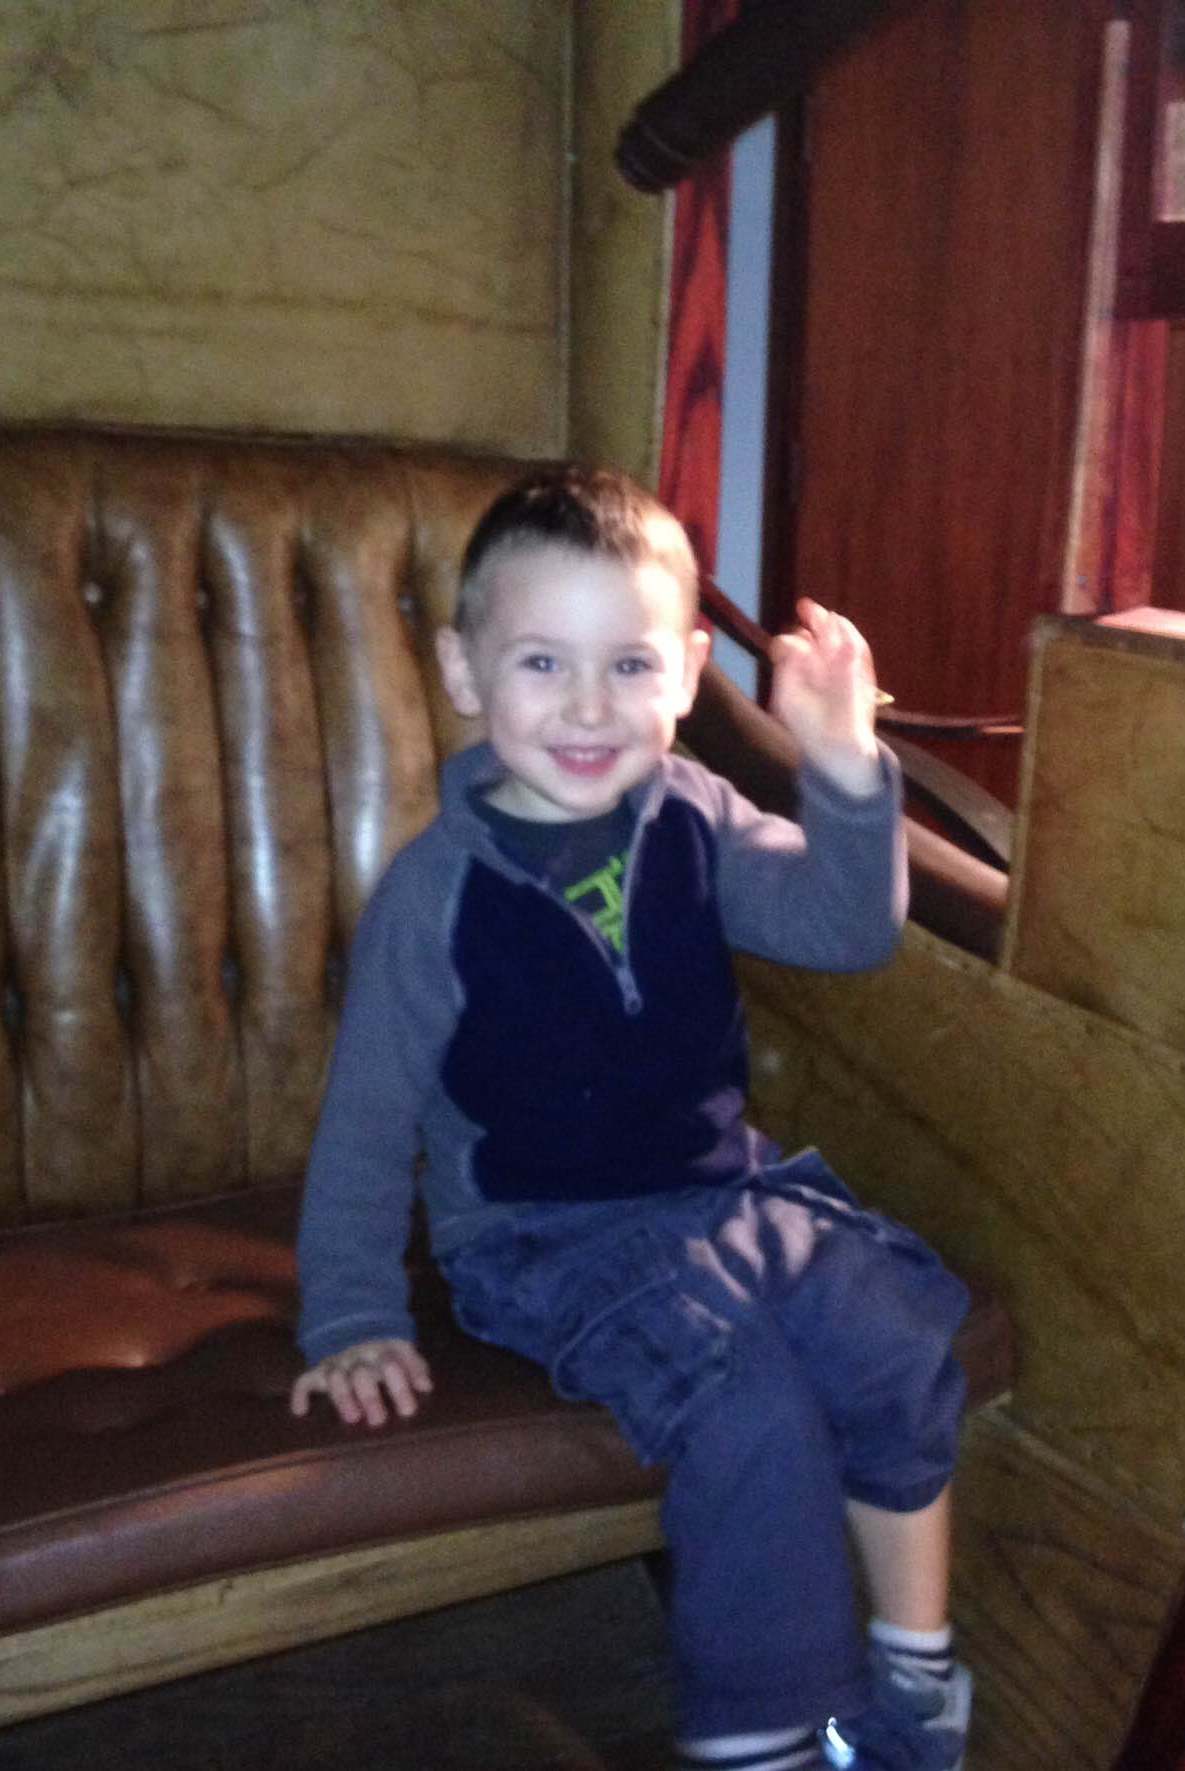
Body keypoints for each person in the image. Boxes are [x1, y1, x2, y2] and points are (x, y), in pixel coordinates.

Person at [290, 466, 972, 1771]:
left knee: (893, 1342)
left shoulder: (699, 818)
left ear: (688, 674)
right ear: (465, 670)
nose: (590, 706)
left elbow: (845, 929)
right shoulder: (432, 896)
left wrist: (840, 767)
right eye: (543, 662)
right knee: (749, 1411)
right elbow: (367, 1126)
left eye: (630, 664)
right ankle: (765, 1740)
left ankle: (914, 1668)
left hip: (729, 1194)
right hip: (546, 1237)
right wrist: (352, 1315)